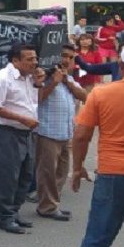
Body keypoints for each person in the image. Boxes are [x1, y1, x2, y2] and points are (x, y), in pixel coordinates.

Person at [67, 44, 124, 247]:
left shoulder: (102, 94)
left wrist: (78, 167)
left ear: (120, 65)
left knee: (100, 232)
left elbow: (82, 135)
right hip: (114, 171)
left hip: (113, 171)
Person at [0, 44, 45, 234]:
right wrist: (23, 119)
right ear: (15, 61)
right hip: (6, 132)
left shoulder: (30, 78)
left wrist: (38, 84)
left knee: (26, 174)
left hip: (26, 132)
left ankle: (14, 212)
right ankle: (4, 217)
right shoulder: (1, 79)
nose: (34, 63)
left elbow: (33, 102)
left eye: (35, 58)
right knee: (7, 176)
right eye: (29, 59)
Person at [35, 44, 87, 221]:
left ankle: (52, 203)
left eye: (71, 57)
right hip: (48, 132)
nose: (67, 60)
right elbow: (39, 98)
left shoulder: (69, 80)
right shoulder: (44, 77)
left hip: (66, 133)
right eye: (64, 55)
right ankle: (46, 206)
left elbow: (84, 96)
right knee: (48, 172)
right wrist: (55, 82)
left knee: (61, 172)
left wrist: (66, 82)